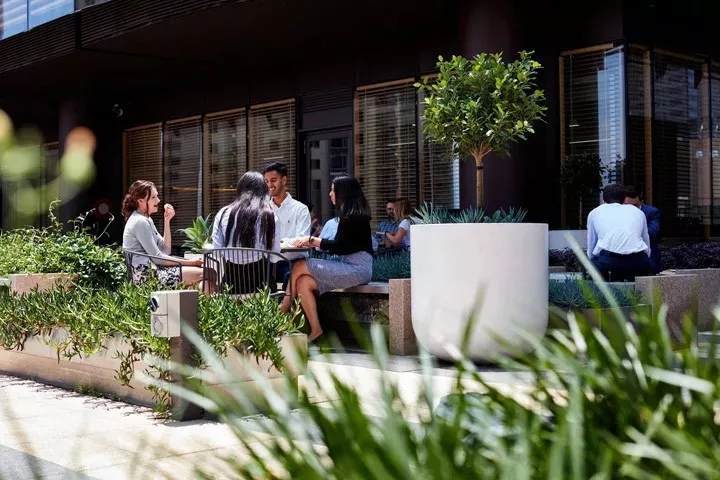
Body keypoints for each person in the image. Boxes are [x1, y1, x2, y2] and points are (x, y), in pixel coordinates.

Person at [281, 176, 373, 342]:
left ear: (342, 193)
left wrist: (312, 241)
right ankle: (316, 330)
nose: (330, 194)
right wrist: (313, 242)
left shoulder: (354, 217)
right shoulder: (350, 215)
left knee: (299, 265)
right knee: (303, 282)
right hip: (348, 266)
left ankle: (282, 310)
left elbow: (340, 247)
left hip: (356, 269)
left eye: (332, 190)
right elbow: (342, 246)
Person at [122, 180, 204, 287]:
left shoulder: (146, 219)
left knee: (207, 280)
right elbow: (157, 258)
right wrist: (191, 262)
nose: (158, 200)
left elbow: (166, 250)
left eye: (157, 196)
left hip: (156, 271)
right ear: (140, 201)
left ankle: (201, 297)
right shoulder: (139, 221)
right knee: (206, 273)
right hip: (147, 277)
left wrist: (167, 220)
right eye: (153, 197)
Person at [211, 171, 280, 294]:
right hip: (262, 287)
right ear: (263, 191)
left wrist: (234, 254)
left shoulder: (223, 213)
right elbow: (274, 257)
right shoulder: (269, 215)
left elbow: (216, 250)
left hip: (230, 286)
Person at [586, 183, 652, 281]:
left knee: (595, 266)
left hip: (608, 260)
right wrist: (646, 257)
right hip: (638, 259)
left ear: (603, 199)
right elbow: (645, 239)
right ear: (624, 198)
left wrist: (592, 260)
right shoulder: (638, 212)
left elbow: (592, 243)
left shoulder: (595, 212)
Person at [263, 162, 311, 285]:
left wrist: (278, 244)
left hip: (292, 263)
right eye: (266, 181)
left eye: (273, 180)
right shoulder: (262, 209)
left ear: (284, 180)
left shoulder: (300, 209)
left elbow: (302, 240)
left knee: (290, 278)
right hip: (268, 264)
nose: (269, 185)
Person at [624, 185, 662, 273]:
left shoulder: (651, 212)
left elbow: (652, 233)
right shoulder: (618, 213)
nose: (631, 209)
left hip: (647, 257)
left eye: (634, 206)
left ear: (641, 201)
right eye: (627, 206)